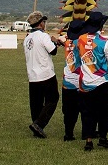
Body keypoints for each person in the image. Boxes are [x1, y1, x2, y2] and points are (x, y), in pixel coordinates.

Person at [73, 11, 108, 151]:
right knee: (105, 112)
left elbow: (78, 60)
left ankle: (89, 141)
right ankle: (103, 138)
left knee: (87, 113)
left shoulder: (80, 39)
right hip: (102, 82)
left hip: (85, 83)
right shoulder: (104, 42)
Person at [23, 10, 61, 138]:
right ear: (40, 23)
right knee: (53, 99)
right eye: (44, 21)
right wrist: (55, 41)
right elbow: (53, 51)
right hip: (46, 74)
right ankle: (39, 124)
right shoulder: (43, 36)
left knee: (36, 103)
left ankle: (36, 126)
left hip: (32, 75)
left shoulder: (27, 38)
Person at [61, 19, 84, 142]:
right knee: (84, 108)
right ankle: (86, 132)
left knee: (68, 109)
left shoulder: (68, 42)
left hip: (67, 80)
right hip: (80, 80)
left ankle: (68, 133)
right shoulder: (80, 42)